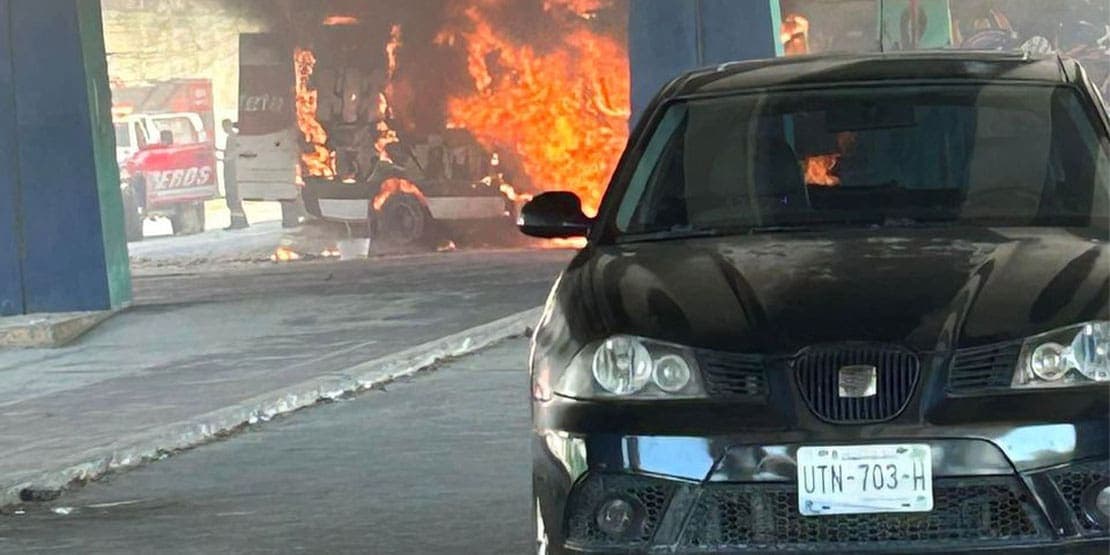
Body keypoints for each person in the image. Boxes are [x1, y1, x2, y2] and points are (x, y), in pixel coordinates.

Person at [220, 119, 249, 230]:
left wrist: (228, 158)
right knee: (232, 197)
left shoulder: (233, 137)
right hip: (231, 169)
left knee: (233, 196)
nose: (224, 129)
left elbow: (237, 151)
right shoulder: (231, 137)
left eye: (224, 126)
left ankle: (238, 222)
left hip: (233, 171)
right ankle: (239, 221)